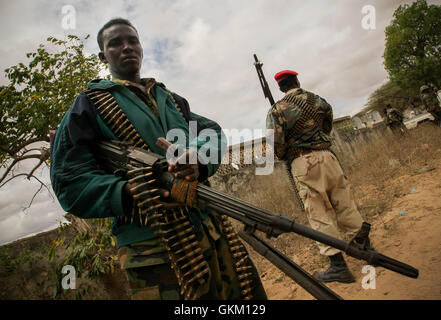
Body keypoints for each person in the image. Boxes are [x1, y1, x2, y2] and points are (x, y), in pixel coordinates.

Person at [50, 18, 267, 300]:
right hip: (153, 246)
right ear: (103, 56)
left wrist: (198, 159)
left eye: (133, 41)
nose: (127, 47)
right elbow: (69, 179)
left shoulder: (172, 99)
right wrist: (127, 191)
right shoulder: (89, 105)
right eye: (116, 43)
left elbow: (211, 131)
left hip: (213, 231)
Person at [266, 70, 372, 284]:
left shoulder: (277, 109)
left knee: (319, 211)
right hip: (328, 156)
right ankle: (367, 248)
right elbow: (327, 127)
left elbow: (276, 145)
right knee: (345, 202)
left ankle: (338, 267)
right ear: (297, 81)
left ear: (280, 88)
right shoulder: (320, 101)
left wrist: (287, 152)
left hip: (303, 161)